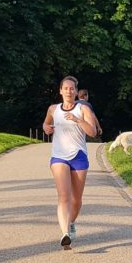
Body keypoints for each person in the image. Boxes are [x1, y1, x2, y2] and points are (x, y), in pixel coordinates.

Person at [43, 76, 98, 249]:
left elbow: (93, 132)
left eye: (72, 88)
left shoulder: (83, 108)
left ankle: (71, 222)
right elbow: (46, 124)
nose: (69, 91)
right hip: (59, 156)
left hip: (79, 156)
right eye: (65, 88)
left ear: (76, 91)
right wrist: (46, 128)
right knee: (64, 197)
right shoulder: (53, 109)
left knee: (76, 200)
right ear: (60, 91)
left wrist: (79, 120)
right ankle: (65, 233)